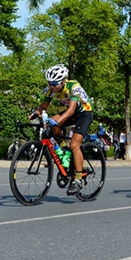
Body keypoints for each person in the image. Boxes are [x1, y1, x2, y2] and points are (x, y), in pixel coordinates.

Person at [29, 64, 93, 195]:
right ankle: (62, 147)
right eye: (49, 83)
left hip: (84, 114)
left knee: (75, 144)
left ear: (63, 81)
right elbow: (44, 105)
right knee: (52, 124)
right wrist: (37, 112)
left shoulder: (74, 87)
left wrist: (57, 121)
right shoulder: (51, 89)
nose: (51, 86)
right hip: (71, 113)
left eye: (54, 83)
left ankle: (79, 179)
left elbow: (71, 110)